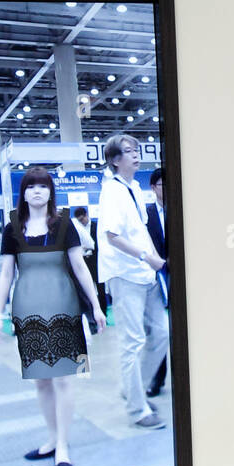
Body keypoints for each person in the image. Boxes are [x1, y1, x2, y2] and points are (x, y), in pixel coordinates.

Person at [0, 167, 105, 466]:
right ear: (24, 192)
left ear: (51, 191)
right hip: (27, 311)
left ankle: (64, 445)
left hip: (65, 308)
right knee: (41, 379)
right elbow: (6, 273)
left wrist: (96, 305)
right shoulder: (11, 227)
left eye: (44, 186)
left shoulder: (65, 224)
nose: (38, 191)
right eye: (32, 187)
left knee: (66, 378)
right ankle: (52, 439)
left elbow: (81, 267)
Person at [96, 132, 170, 429]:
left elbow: (140, 230)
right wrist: (145, 256)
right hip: (124, 275)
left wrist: (155, 261)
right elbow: (113, 237)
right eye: (128, 151)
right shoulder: (111, 191)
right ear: (115, 160)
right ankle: (138, 410)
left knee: (163, 334)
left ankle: (132, 389)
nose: (135, 155)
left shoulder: (136, 188)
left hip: (146, 275)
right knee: (133, 341)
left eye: (137, 150)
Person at [146, 167, 170, 398]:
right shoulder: (146, 215)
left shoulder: (183, 210)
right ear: (153, 188)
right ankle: (157, 379)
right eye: (163, 184)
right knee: (158, 332)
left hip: (181, 277)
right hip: (156, 279)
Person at [72, 206, 107, 316]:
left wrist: (89, 248)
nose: (81, 222)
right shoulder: (76, 229)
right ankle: (91, 315)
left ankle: (104, 313)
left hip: (97, 262)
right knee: (87, 289)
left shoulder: (97, 227)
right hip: (84, 263)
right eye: (79, 220)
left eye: (82, 219)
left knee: (101, 289)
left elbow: (102, 245)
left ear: (87, 215)